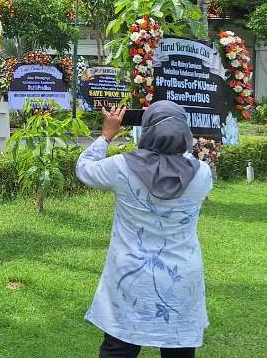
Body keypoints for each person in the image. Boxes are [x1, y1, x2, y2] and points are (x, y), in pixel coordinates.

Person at [76, 101, 213, 358]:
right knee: (179, 349)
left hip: (130, 276)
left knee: (119, 349)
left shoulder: (121, 167)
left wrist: (106, 135)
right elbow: (180, 160)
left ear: (147, 130)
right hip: (180, 277)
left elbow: (84, 169)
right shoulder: (202, 173)